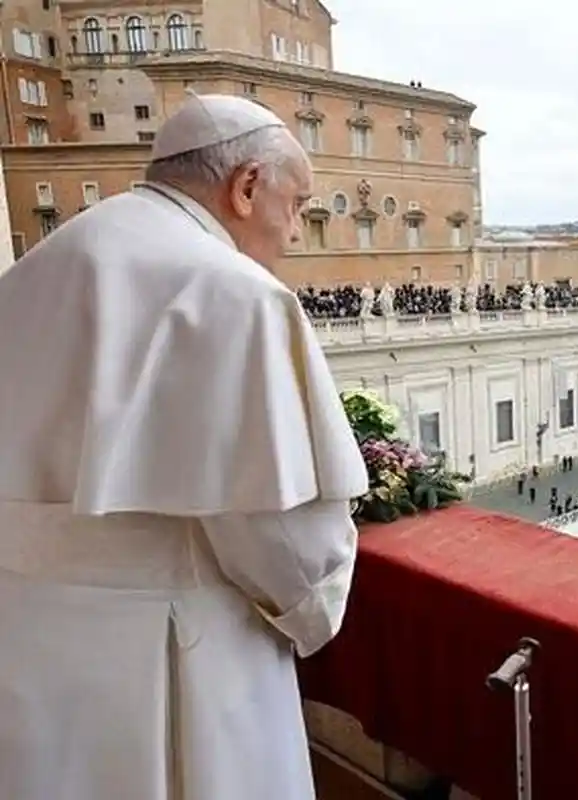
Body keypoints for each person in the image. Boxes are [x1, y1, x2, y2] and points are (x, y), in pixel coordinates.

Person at [0, 94, 368, 800]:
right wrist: (317, 603)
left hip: (26, 640)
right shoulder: (234, 292)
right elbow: (280, 539)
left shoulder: (40, 268)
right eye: (297, 205)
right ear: (247, 185)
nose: (295, 231)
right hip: (169, 657)